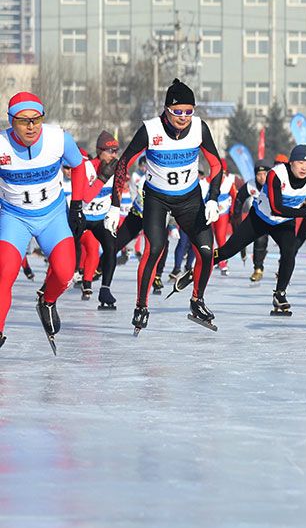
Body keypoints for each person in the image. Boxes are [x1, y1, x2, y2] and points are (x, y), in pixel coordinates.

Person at [106, 79, 226, 332]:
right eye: (177, 111)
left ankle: (197, 301)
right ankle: (141, 306)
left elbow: (216, 165)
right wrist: (115, 205)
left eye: (189, 111)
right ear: (167, 110)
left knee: (206, 250)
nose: (184, 117)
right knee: (155, 248)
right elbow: (123, 163)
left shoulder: (199, 129)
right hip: (157, 199)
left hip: (189, 199)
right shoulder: (150, 130)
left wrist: (213, 197)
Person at [0, 92, 92, 348]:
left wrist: (76, 206)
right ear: (11, 121)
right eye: (23, 121)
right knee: (5, 274)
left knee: (64, 274)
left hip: (52, 217)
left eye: (36, 119)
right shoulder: (2, 145)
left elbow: (79, 166)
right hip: (15, 218)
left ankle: (47, 300)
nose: (31, 126)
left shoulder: (59, 139)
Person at [213, 145, 306, 314]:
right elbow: (276, 209)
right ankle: (205, 261)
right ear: (290, 163)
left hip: (284, 222)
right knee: (228, 251)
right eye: (299, 163)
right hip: (260, 218)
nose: (304, 167)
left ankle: (280, 294)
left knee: (289, 253)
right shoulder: (276, 174)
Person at [73, 131, 123, 309]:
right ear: (99, 151)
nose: (113, 155)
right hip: (83, 218)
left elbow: (116, 194)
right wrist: (102, 178)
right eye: (110, 151)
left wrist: (114, 212)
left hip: (101, 219)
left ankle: (105, 290)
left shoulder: (116, 167)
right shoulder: (87, 167)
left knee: (111, 248)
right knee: (67, 252)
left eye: (116, 151)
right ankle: (48, 287)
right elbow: (86, 196)